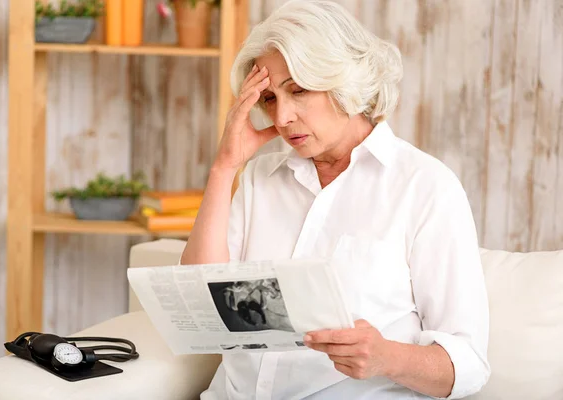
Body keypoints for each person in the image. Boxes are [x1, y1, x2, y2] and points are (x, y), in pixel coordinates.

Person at [180, 0, 491, 398]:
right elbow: (195, 305)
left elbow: (467, 364)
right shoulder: (260, 178)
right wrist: (223, 169)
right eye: (270, 99)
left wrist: (386, 358)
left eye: (299, 91)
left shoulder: (425, 186)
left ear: (346, 81)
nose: (282, 118)